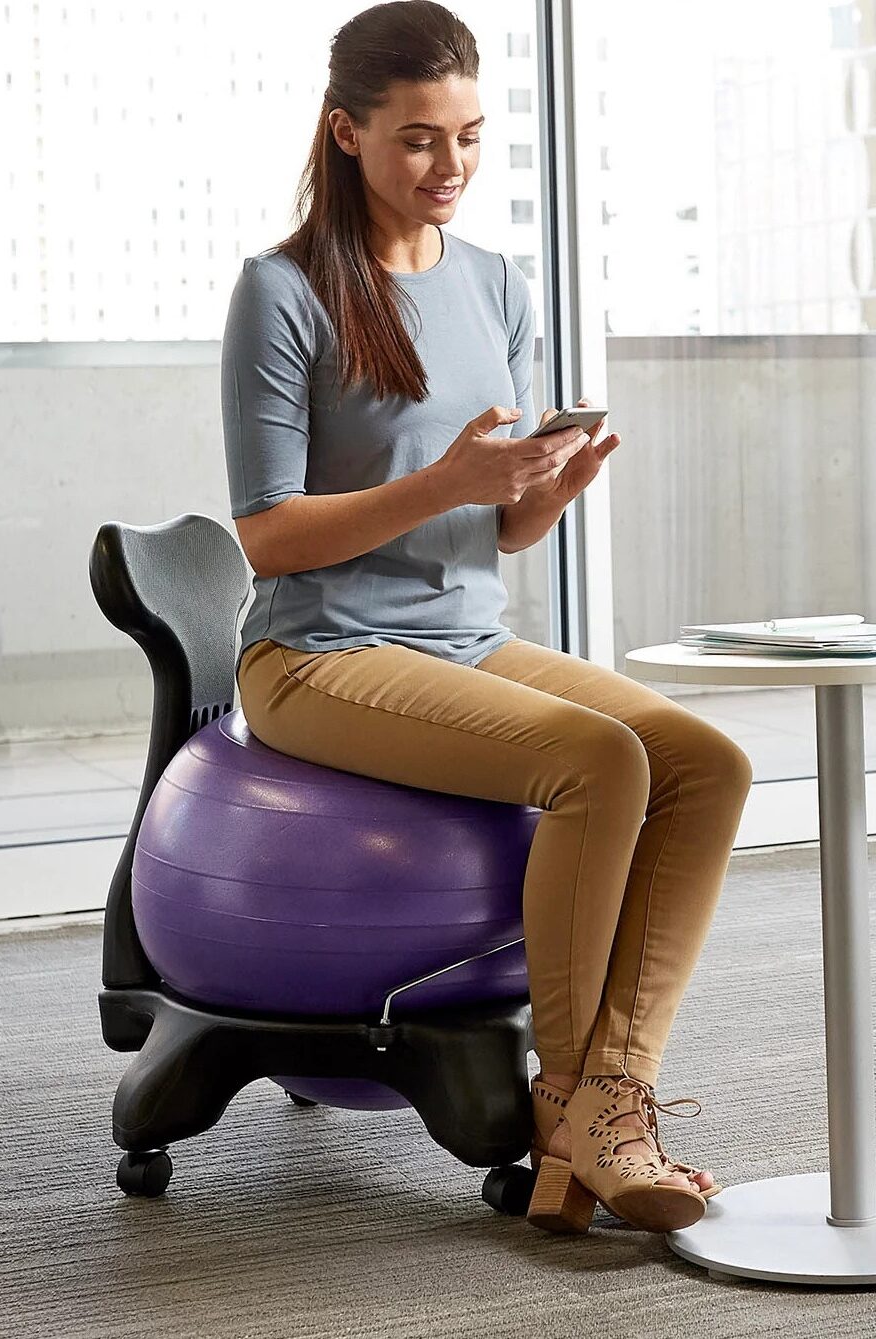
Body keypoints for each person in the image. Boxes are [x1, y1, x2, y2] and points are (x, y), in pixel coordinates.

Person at [220, 0, 752, 1236]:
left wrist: (536, 494)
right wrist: (448, 481)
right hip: (316, 653)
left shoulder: (497, 285)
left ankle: (608, 1094)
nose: (448, 165)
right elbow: (266, 532)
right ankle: (573, 1107)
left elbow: (489, 533)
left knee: (705, 763)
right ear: (345, 133)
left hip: (459, 636)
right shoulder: (282, 291)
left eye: (466, 135)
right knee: (595, 760)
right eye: (416, 139)